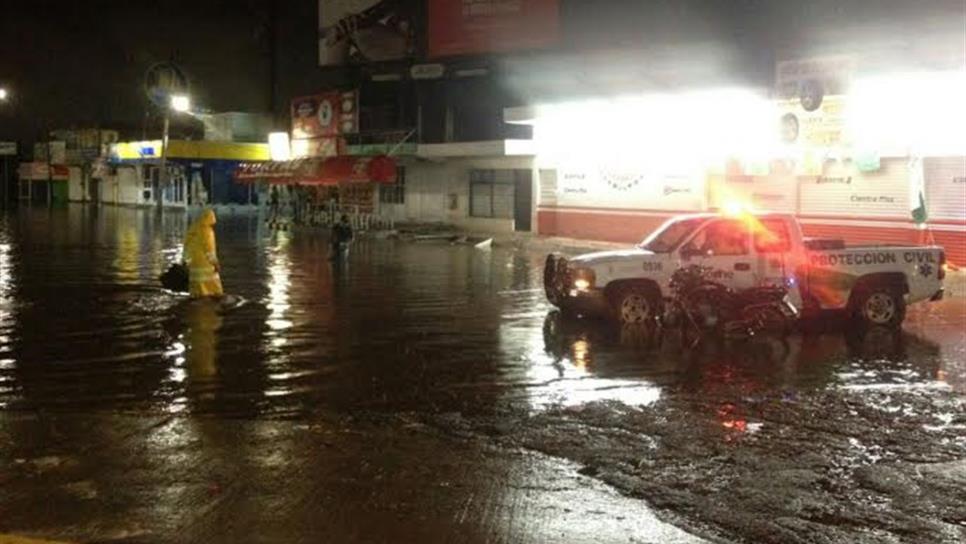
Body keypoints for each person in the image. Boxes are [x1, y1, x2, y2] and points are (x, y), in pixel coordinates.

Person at [184, 209, 224, 298]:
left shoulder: (194, 228)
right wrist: (216, 264)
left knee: (197, 290)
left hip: (194, 264)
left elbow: (186, 245)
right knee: (212, 288)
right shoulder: (208, 232)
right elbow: (209, 250)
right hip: (205, 264)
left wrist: (186, 260)